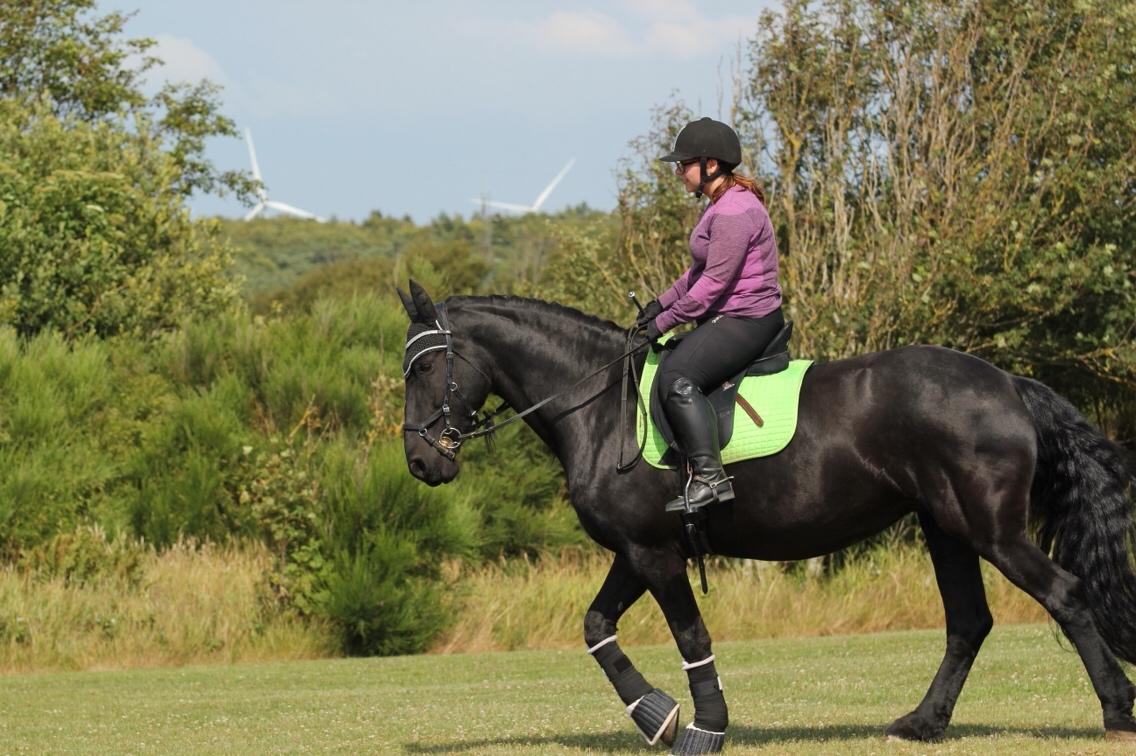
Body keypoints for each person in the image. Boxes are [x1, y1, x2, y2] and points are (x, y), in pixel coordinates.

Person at [637, 117, 784, 511]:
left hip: (747, 319)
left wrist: (663, 324)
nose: (679, 172)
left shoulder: (734, 212)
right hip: (732, 315)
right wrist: (660, 303)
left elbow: (710, 288)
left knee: (676, 375)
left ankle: (709, 478)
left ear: (711, 165)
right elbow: (697, 274)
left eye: (683, 164)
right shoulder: (722, 205)